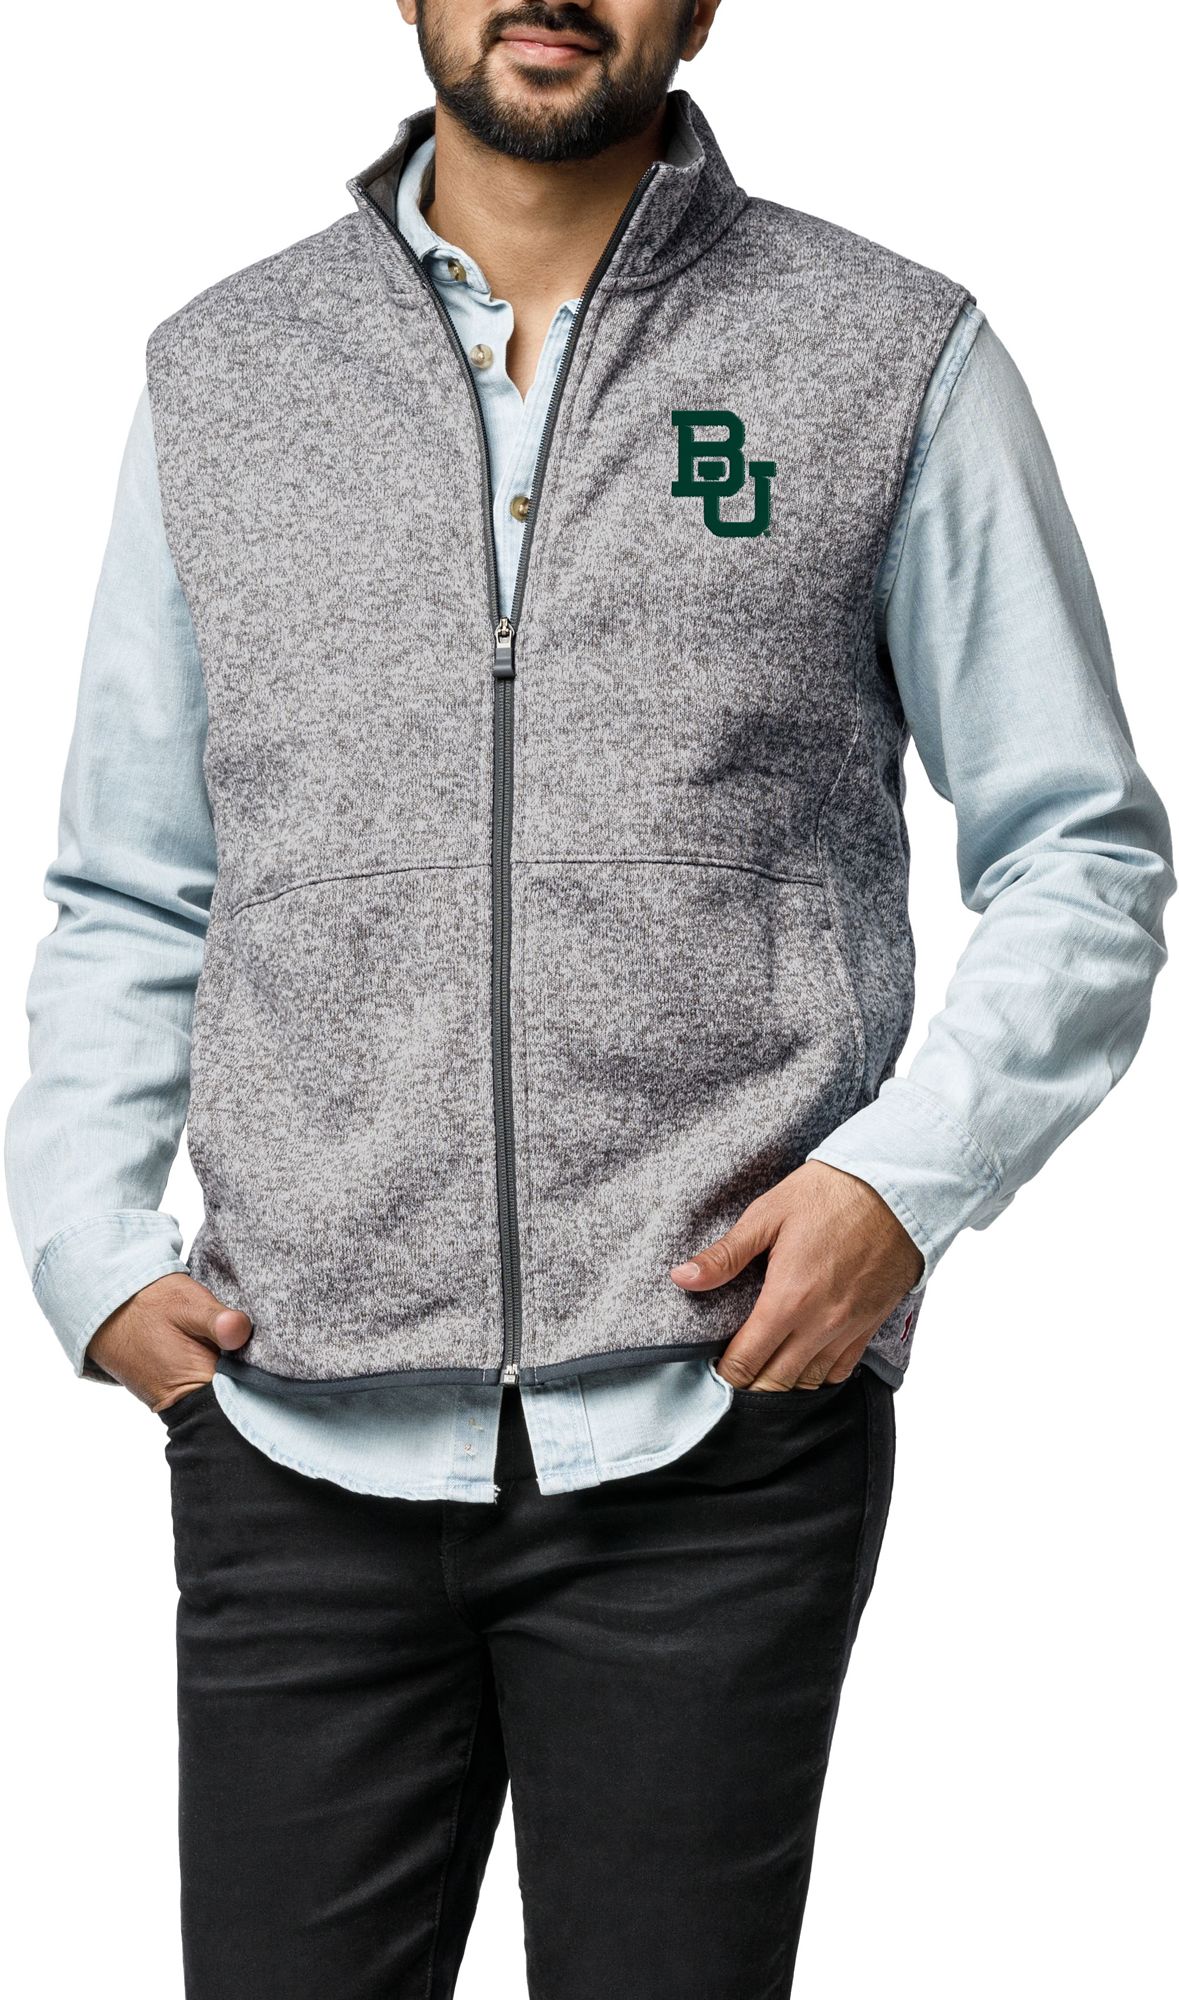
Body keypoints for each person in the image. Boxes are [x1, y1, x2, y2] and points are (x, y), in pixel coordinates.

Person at [6, 1, 1173, 1993]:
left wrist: (900, 1188)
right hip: (289, 1423)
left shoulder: (887, 351)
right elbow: (134, 877)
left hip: (718, 1424)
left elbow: (1079, 848)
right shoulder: (221, 372)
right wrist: (84, 1251)